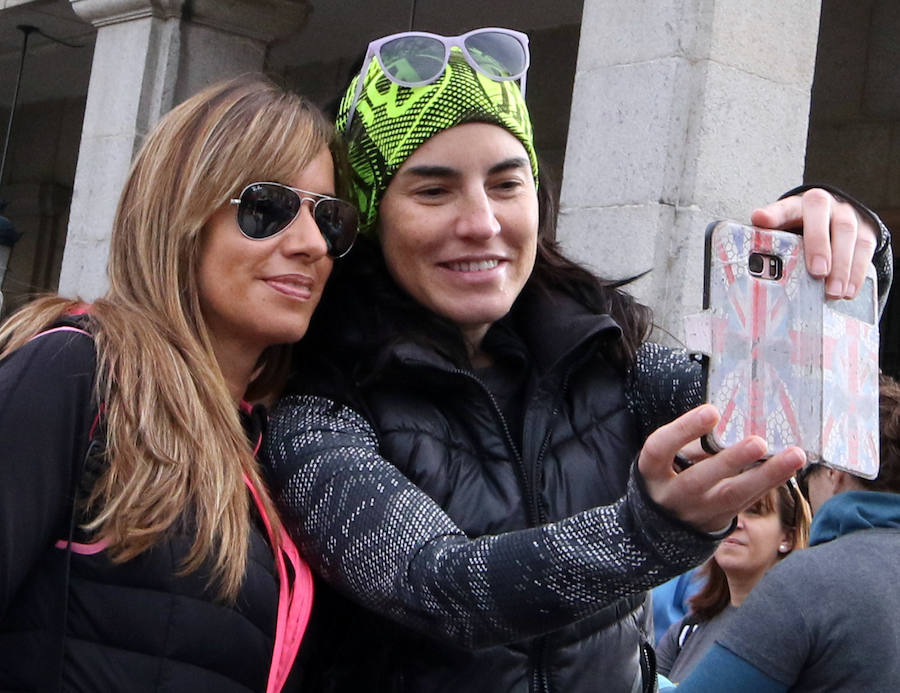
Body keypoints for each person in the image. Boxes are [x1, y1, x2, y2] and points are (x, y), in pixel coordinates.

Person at [263, 28, 894, 693]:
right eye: (433, 191)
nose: (483, 221)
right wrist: (646, 533)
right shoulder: (318, 406)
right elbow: (442, 584)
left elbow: (775, 397)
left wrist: (847, 258)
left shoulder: (609, 359)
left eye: (507, 184)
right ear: (370, 214)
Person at [0, 74, 360, 691]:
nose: (310, 244)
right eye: (266, 207)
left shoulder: (266, 450)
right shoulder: (78, 372)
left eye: (329, 218)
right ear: (183, 214)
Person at [669, 375, 900, 692]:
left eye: (809, 468)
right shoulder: (690, 627)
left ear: (835, 468)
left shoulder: (813, 581)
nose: (735, 522)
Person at [656, 481, 811, 682]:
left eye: (754, 511)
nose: (736, 522)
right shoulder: (687, 630)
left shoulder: (797, 633)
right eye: (727, 509)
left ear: (787, 538)